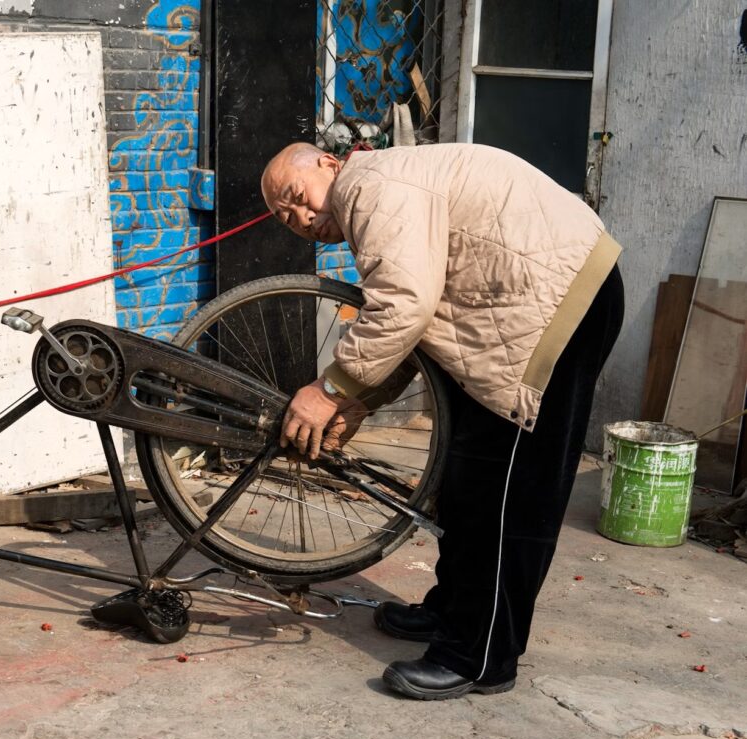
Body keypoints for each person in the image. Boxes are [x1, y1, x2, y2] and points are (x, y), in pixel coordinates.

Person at [260, 141, 624, 700]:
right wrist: (360, 400)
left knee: (507, 496)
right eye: (286, 219)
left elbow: (404, 305)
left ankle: (480, 657)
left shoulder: (369, 186)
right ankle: (453, 612)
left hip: (555, 306)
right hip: (522, 306)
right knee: (467, 480)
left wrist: (328, 390)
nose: (303, 219)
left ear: (329, 164)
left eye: (296, 197)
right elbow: (421, 327)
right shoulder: (385, 187)